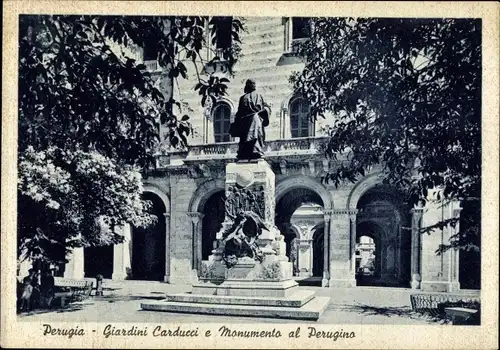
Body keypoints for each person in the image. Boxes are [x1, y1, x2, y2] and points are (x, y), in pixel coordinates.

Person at [230, 79, 271, 161]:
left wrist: (265, 110)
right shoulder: (242, 98)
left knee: (255, 121)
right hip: (244, 121)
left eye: (254, 83)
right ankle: (245, 151)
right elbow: (239, 112)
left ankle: (256, 150)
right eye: (252, 83)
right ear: (248, 85)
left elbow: (266, 107)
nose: (254, 85)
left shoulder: (259, 96)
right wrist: (236, 122)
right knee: (249, 127)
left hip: (256, 118)